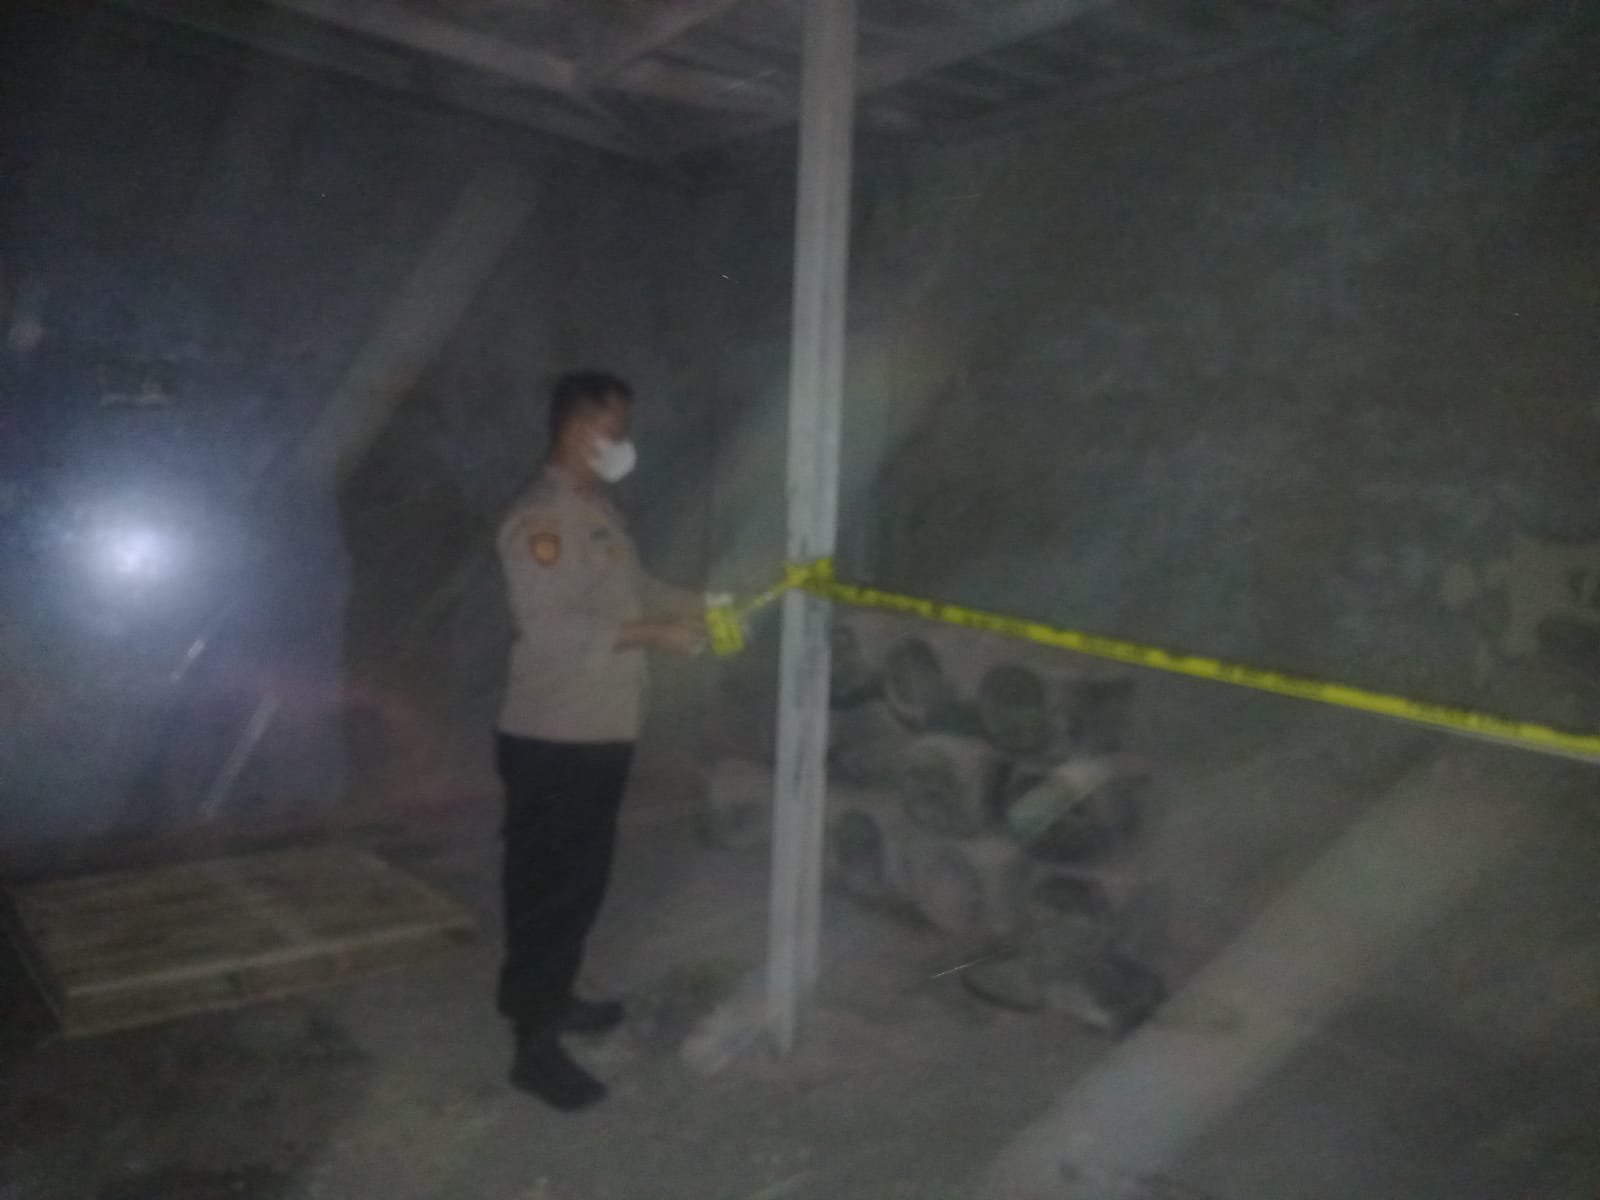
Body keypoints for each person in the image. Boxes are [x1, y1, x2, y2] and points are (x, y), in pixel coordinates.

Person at [493, 370, 705, 1111]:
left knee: (578, 883)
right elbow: (552, 629)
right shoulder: (540, 520)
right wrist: (657, 636)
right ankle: (533, 1047)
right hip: (555, 735)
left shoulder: (597, 511)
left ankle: (550, 998)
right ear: (581, 429)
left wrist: (706, 604)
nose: (625, 442)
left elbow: (638, 590)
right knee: (549, 891)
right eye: (617, 428)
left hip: (599, 728)